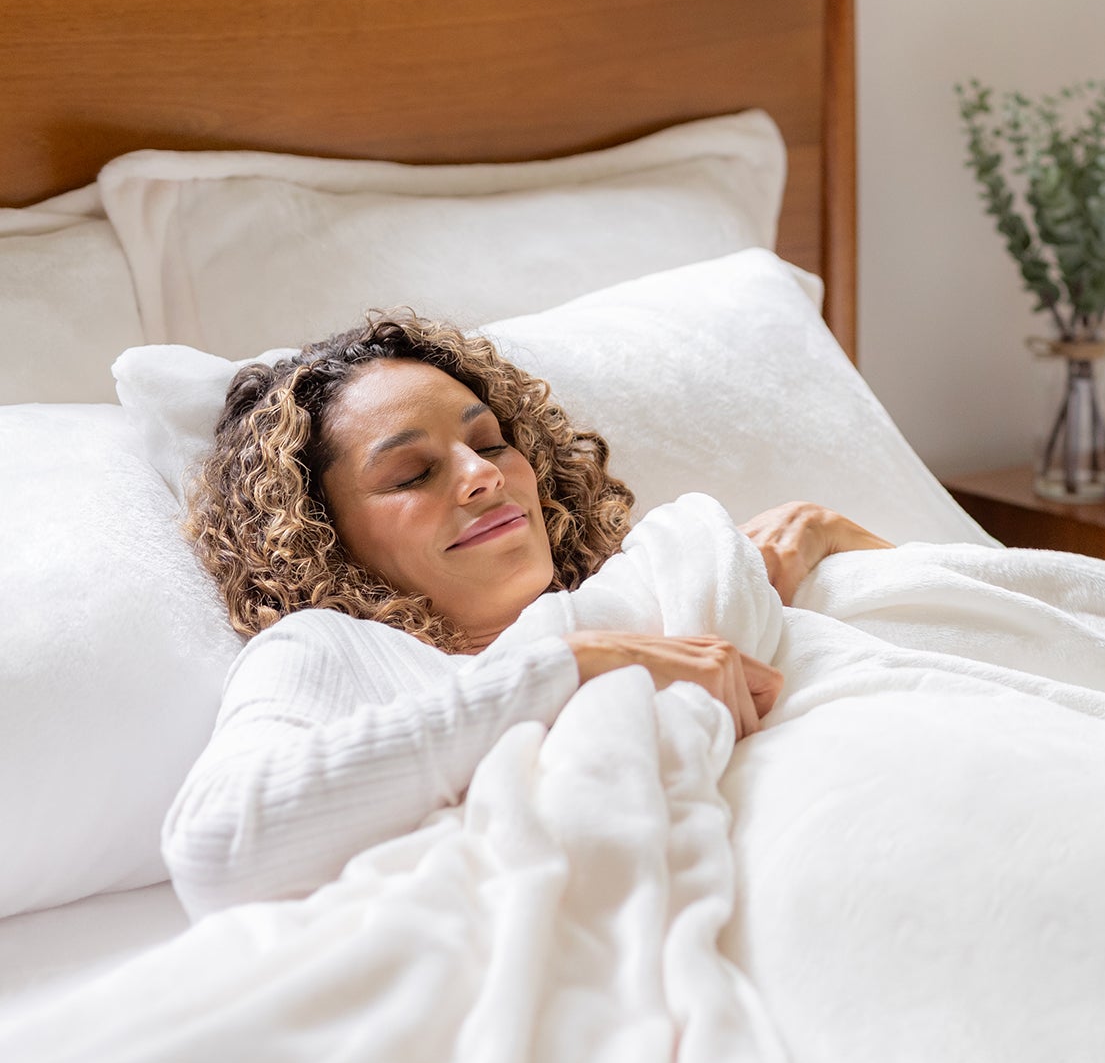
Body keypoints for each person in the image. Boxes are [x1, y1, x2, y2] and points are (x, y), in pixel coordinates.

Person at [165, 312, 890, 920]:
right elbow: (217, 855)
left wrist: (830, 535)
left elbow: (976, 613)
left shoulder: (670, 577)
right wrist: (573, 667)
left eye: (488, 445)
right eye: (412, 474)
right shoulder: (331, 651)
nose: (482, 476)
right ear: (321, 532)